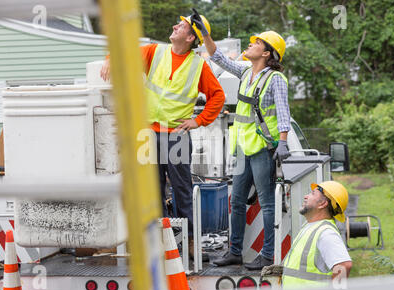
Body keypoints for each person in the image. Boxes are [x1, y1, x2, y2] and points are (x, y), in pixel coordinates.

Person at [101, 13, 225, 260]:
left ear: (191, 37)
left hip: (176, 135)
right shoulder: (156, 52)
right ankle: (159, 240)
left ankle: (189, 242)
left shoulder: (198, 65)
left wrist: (198, 121)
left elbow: (218, 97)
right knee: (152, 189)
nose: (174, 26)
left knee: (182, 190)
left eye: (180, 26)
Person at [193, 11, 291, 270]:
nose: (250, 44)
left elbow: (283, 112)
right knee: (236, 200)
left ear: (267, 53)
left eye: (256, 42)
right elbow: (218, 57)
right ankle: (235, 251)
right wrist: (204, 33)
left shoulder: (275, 79)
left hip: (262, 149)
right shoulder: (247, 71)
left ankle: (267, 255)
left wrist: (283, 142)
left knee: (267, 203)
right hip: (243, 147)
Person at [281, 181, 352, 290]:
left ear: (323, 204)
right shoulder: (311, 226)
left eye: (313, 193)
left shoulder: (326, 233)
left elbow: (344, 265)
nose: (306, 196)